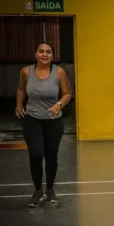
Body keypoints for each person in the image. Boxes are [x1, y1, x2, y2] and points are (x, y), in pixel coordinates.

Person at [15, 41, 72, 208]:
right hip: (32, 119)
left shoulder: (59, 72)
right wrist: (19, 104)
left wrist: (58, 105)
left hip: (54, 121)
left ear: (52, 55)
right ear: (36, 54)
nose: (45, 54)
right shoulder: (26, 71)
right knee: (36, 154)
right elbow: (21, 89)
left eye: (48, 52)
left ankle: (50, 189)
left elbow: (68, 93)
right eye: (41, 51)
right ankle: (38, 190)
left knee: (51, 155)